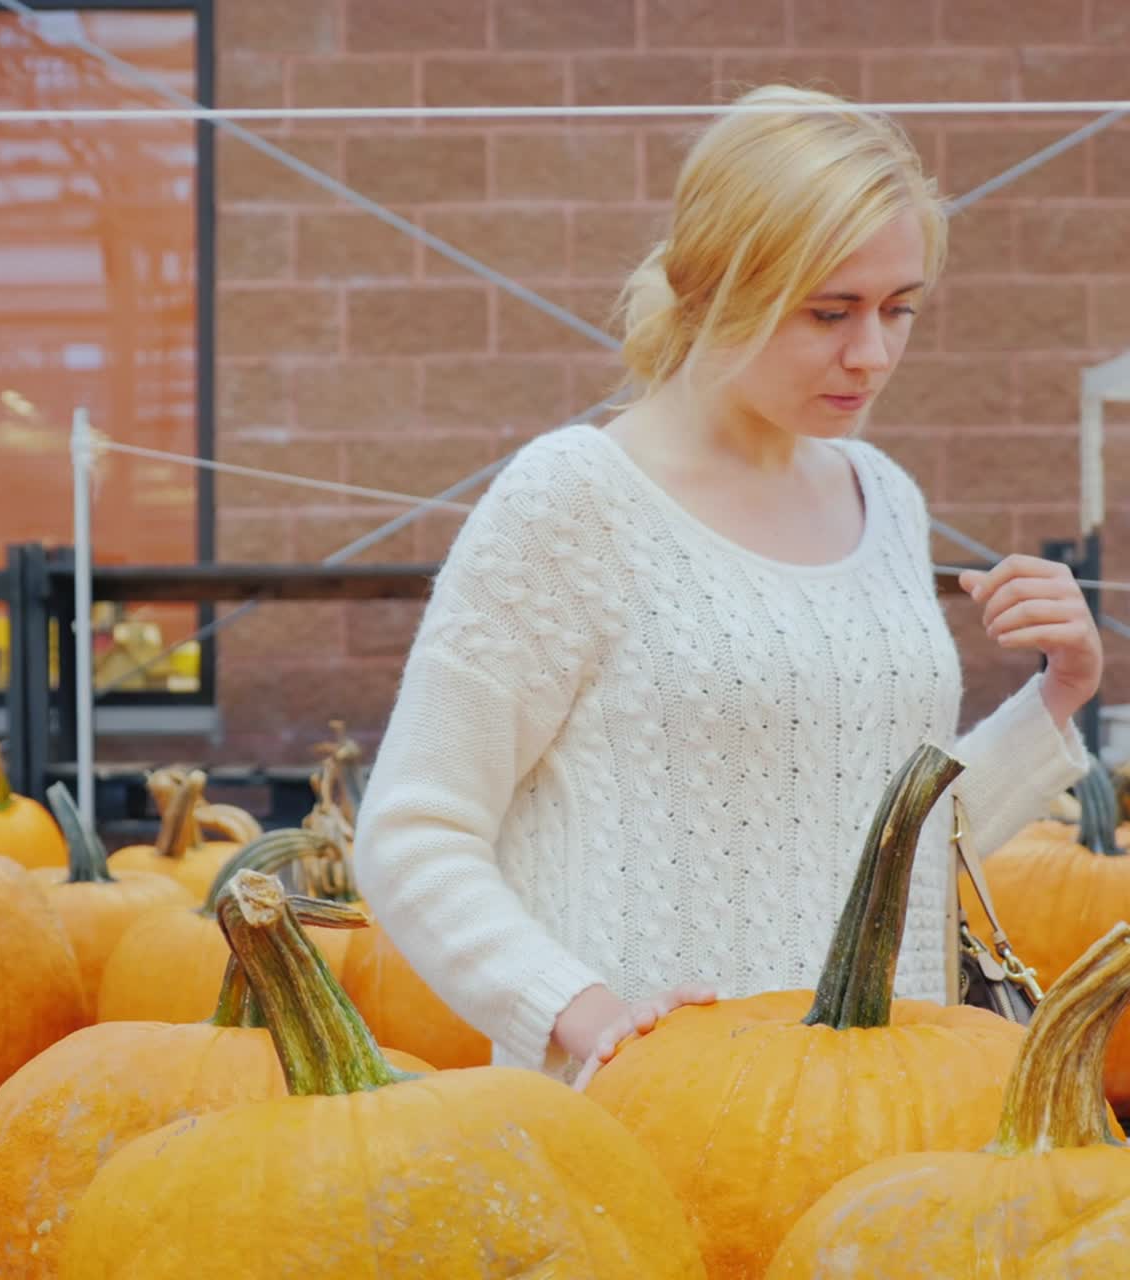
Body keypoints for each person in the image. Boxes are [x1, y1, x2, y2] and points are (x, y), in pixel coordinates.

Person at [352, 84, 1101, 1090]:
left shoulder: (883, 497)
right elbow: (413, 828)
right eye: (828, 311)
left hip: (889, 1116)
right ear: (712, 287)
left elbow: (876, 838)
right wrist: (582, 1015)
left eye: (897, 309)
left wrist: (1052, 695)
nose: (871, 353)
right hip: (644, 1129)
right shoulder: (572, 500)